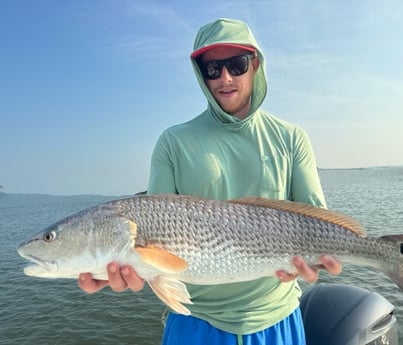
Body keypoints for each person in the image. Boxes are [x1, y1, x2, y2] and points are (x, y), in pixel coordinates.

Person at [79, 18, 341, 344]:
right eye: (213, 69)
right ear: (200, 75)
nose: (226, 78)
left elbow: (315, 219)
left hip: (277, 318)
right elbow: (157, 247)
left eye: (237, 64)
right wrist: (112, 272)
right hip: (196, 321)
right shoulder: (172, 142)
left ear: (255, 65)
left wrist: (318, 260)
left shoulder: (291, 138)